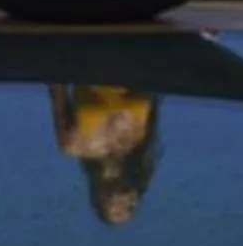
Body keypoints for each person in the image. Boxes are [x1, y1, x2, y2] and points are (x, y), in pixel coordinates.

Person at [47, 83, 162, 225]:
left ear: (99, 201)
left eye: (119, 210)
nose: (128, 203)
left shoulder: (73, 144)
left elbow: (56, 88)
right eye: (131, 208)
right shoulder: (140, 144)